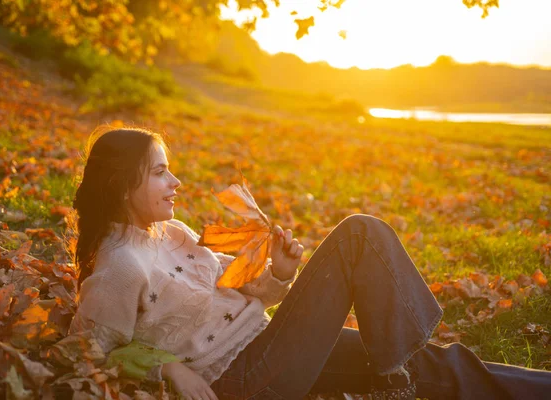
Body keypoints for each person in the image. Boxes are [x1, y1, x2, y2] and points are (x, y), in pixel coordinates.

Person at [69, 126, 551, 400]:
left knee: (425, 365)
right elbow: (84, 354)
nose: (175, 181)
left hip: (269, 346)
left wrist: (277, 271)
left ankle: (407, 381)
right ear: (119, 186)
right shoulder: (121, 267)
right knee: (359, 234)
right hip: (242, 381)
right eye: (159, 172)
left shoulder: (172, 233)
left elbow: (249, 290)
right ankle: (393, 380)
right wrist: (169, 368)